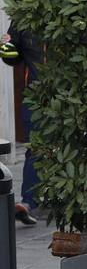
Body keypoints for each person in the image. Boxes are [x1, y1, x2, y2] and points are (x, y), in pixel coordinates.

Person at [1, 26, 43, 225]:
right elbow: (12, 56)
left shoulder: (69, 7)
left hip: (69, 94)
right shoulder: (24, 18)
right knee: (35, 148)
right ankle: (28, 203)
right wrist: (6, 47)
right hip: (35, 95)